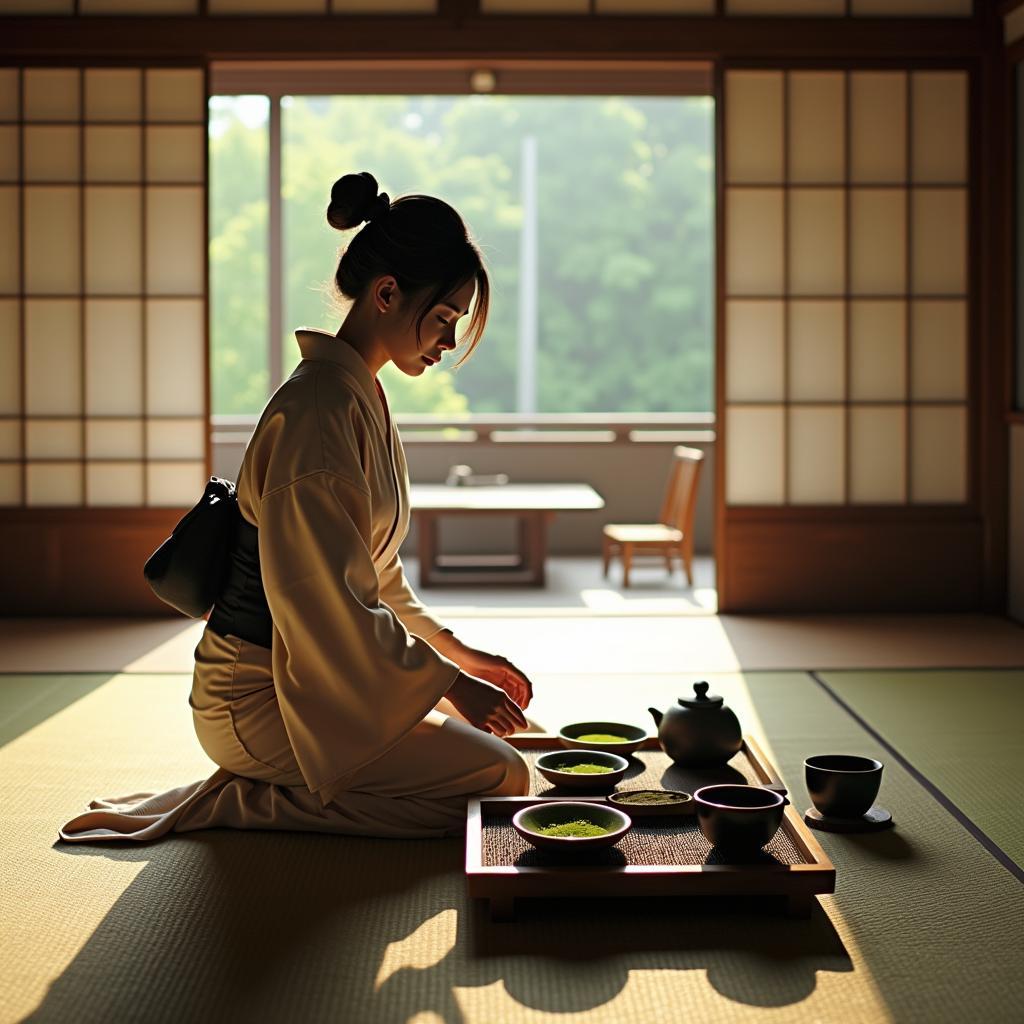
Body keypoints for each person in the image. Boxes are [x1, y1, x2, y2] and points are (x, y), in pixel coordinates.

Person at [58, 171, 534, 843]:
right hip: (256, 698)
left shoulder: (357, 394)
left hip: (307, 680)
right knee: (500, 781)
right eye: (445, 318)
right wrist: (448, 682)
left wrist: (458, 657)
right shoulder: (317, 410)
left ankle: (276, 782)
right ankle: (239, 803)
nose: (448, 343)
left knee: (488, 766)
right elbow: (329, 605)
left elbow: (374, 577)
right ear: (387, 293)